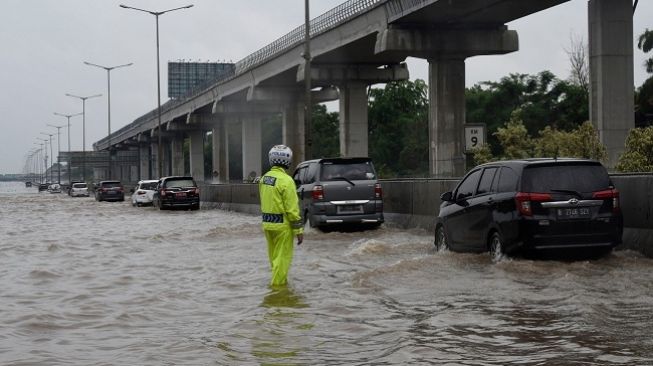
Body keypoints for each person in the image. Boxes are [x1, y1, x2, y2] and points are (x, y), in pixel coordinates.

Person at [259, 145, 304, 286]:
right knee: (282, 260)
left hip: (267, 225)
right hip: (282, 228)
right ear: (288, 161)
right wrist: (299, 230)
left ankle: (279, 284)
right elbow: (292, 210)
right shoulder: (287, 181)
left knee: (274, 259)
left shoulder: (264, 179)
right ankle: (277, 294)